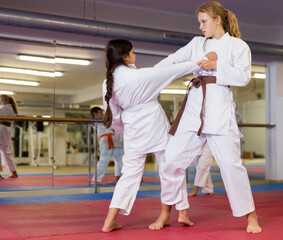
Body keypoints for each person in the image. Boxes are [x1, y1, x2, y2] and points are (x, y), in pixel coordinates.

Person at [150, 1, 262, 234]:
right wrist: (148, 74)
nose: (200, 27)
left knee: (231, 167)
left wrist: (215, 65)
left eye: (204, 21)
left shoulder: (238, 46)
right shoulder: (196, 44)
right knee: (171, 161)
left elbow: (243, 77)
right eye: (199, 22)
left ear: (217, 20)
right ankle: (166, 213)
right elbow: (172, 60)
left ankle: (251, 216)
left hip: (220, 111)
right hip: (193, 109)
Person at [101, 39, 216, 232]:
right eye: (133, 52)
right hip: (153, 122)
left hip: (132, 128)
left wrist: (122, 128)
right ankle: (182, 212)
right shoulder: (139, 76)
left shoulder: (107, 82)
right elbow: (173, 70)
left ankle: (109, 221)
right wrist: (202, 60)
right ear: (125, 56)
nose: (135, 55)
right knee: (170, 166)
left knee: (129, 175)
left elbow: (113, 113)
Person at [90, 106, 124, 185]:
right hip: (105, 140)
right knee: (104, 160)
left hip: (115, 139)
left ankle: (119, 178)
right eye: (100, 112)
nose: (102, 113)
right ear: (95, 114)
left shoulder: (107, 119)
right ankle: (96, 180)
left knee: (121, 160)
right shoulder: (94, 121)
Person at [0, 94, 18, 179]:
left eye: (1, 101)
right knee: (5, 151)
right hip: (6, 129)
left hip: (2, 129)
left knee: (3, 151)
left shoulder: (5, 107)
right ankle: (14, 172)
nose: (1, 103)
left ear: (6, 101)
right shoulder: (11, 108)